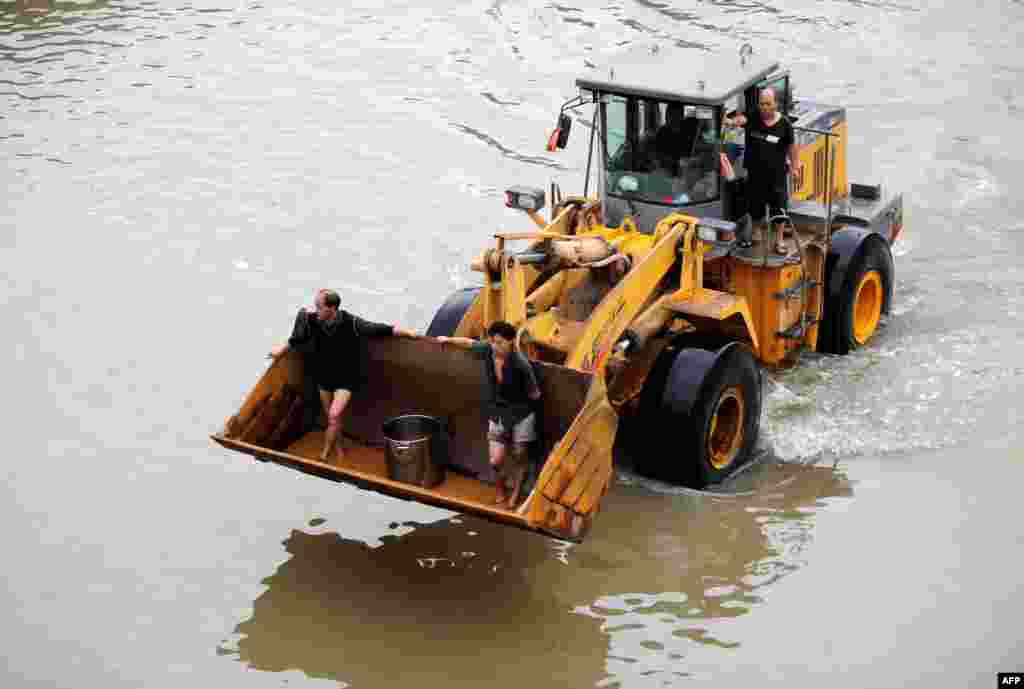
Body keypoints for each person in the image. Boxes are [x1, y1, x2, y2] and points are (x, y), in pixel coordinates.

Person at [268, 289, 418, 464]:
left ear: (332, 308)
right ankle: (338, 446)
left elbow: (379, 328)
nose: (315, 311)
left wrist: (407, 332)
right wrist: (280, 349)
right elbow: (296, 337)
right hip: (324, 374)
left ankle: (325, 452)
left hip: (346, 376)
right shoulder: (312, 320)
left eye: (319, 307)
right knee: (333, 418)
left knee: (333, 414)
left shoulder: (352, 322)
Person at [436, 321, 542, 509]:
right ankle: (500, 488)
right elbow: (468, 343)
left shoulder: (522, 365)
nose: (495, 346)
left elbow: (535, 394)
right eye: (492, 341)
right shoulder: (487, 351)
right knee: (496, 460)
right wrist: (448, 339)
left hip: (521, 414)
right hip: (498, 412)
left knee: (519, 454)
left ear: (510, 342)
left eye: (499, 342)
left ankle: (516, 492)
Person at [725, 88, 796, 254]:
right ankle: (756, 232)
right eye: (762, 104)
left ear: (775, 104)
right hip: (755, 173)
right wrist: (729, 121)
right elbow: (740, 120)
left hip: (776, 175)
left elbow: (792, 147)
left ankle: (779, 240)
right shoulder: (753, 117)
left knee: (778, 207)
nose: (764, 107)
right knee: (755, 205)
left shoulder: (785, 124)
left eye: (768, 104)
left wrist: (794, 167)